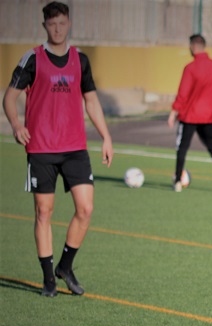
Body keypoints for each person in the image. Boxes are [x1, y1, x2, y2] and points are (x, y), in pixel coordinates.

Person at [3, 1, 114, 298]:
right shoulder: (33, 59)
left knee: (85, 208)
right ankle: (48, 278)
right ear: (44, 26)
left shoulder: (81, 60)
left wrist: (106, 137)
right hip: (41, 149)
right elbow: (10, 97)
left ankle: (65, 266)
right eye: (52, 24)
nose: (57, 28)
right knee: (44, 212)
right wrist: (16, 125)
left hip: (75, 147)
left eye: (62, 23)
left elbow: (91, 101)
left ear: (69, 24)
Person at [167, 34, 212, 193]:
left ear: (193, 47)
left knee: (182, 147)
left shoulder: (190, 68)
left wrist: (174, 111)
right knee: (211, 145)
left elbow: (183, 93)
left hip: (190, 116)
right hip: (208, 115)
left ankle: (178, 181)